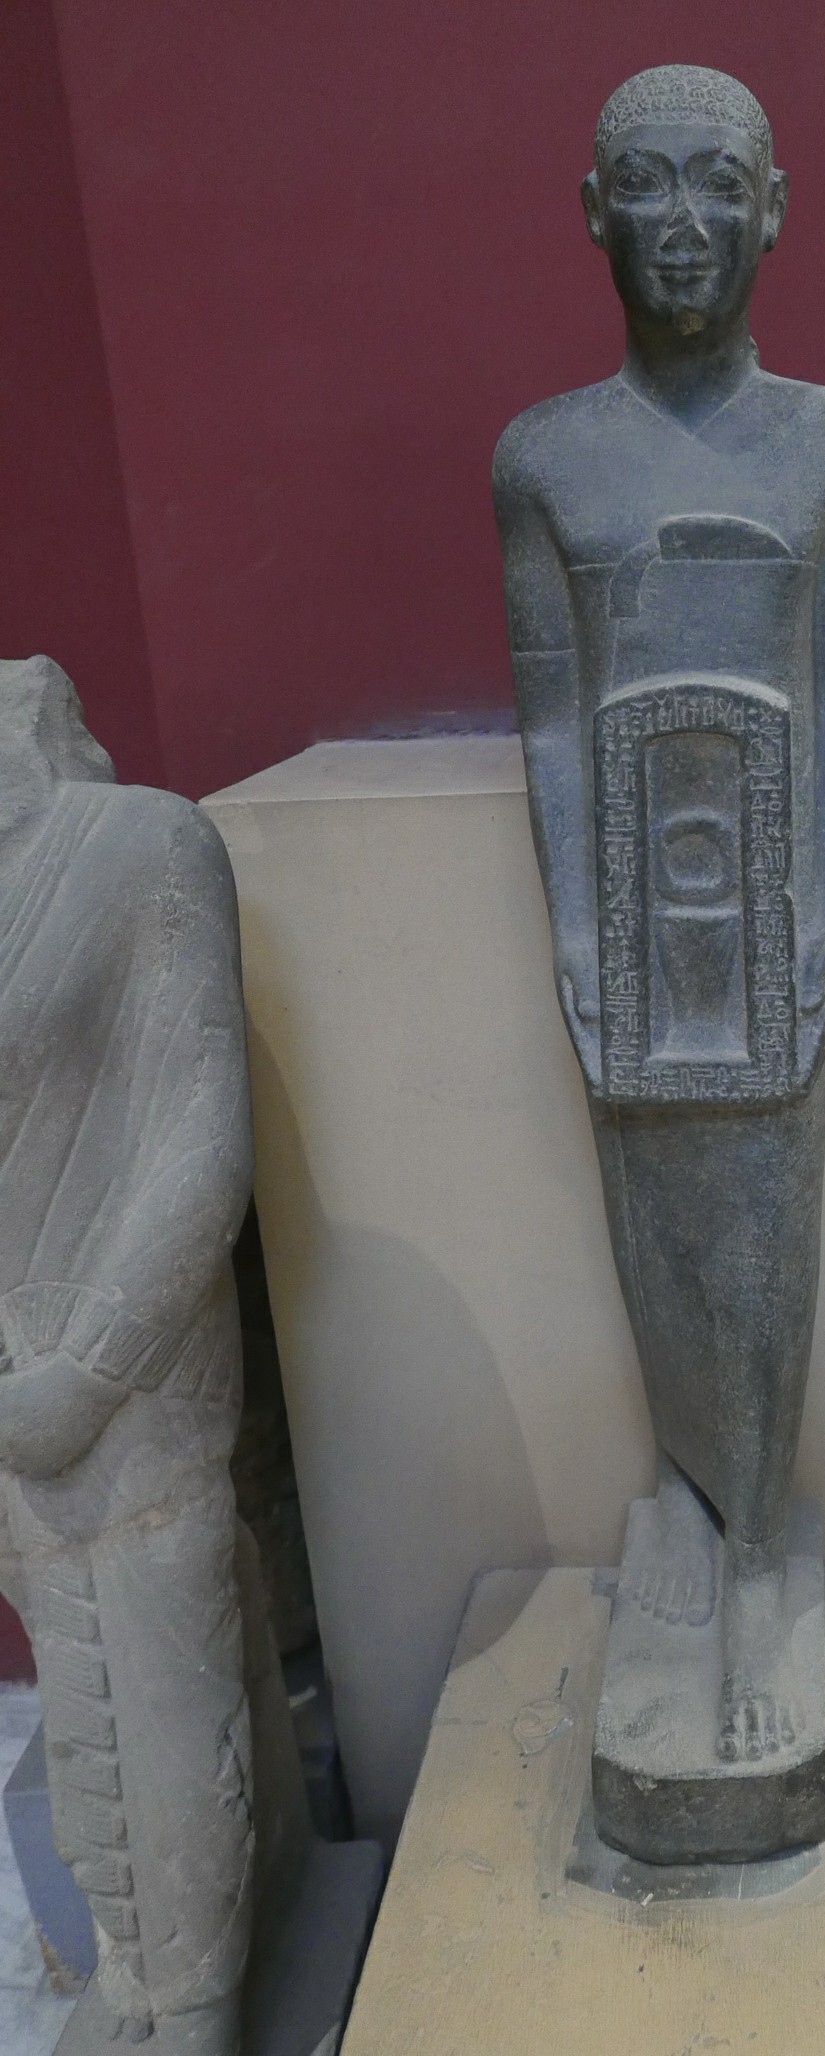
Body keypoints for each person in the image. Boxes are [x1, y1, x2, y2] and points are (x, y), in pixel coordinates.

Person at [494, 66, 825, 1773]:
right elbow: (549, 714)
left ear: (774, 210)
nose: (682, 225)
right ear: (592, 214)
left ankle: (753, 1546)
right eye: (646, 187)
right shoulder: (544, 460)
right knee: (655, 1223)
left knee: (768, 1234)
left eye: (718, 187)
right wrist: (579, 935)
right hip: (632, 920)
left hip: (773, 913)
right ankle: (692, 1496)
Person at [0, 656, 306, 2053]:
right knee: (84, 1715)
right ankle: (144, 1970)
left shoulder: (141, 850)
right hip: (20, 1381)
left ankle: (192, 2002)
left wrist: (90, 1372)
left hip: (133, 1372)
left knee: (164, 1688)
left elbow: (198, 1138)